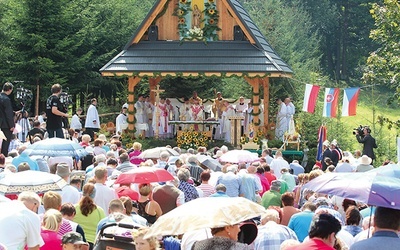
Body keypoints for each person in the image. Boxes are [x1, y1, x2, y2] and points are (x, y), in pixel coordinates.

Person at [73, 183, 106, 248]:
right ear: (94, 195)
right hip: (92, 243)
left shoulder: (74, 208)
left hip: (76, 242)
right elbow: (103, 228)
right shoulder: (99, 211)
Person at [0, 82, 15, 156]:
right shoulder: (6, 99)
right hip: (5, 124)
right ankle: (3, 157)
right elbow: (8, 113)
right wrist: (11, 125)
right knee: (5, 142)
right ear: (9, 90)